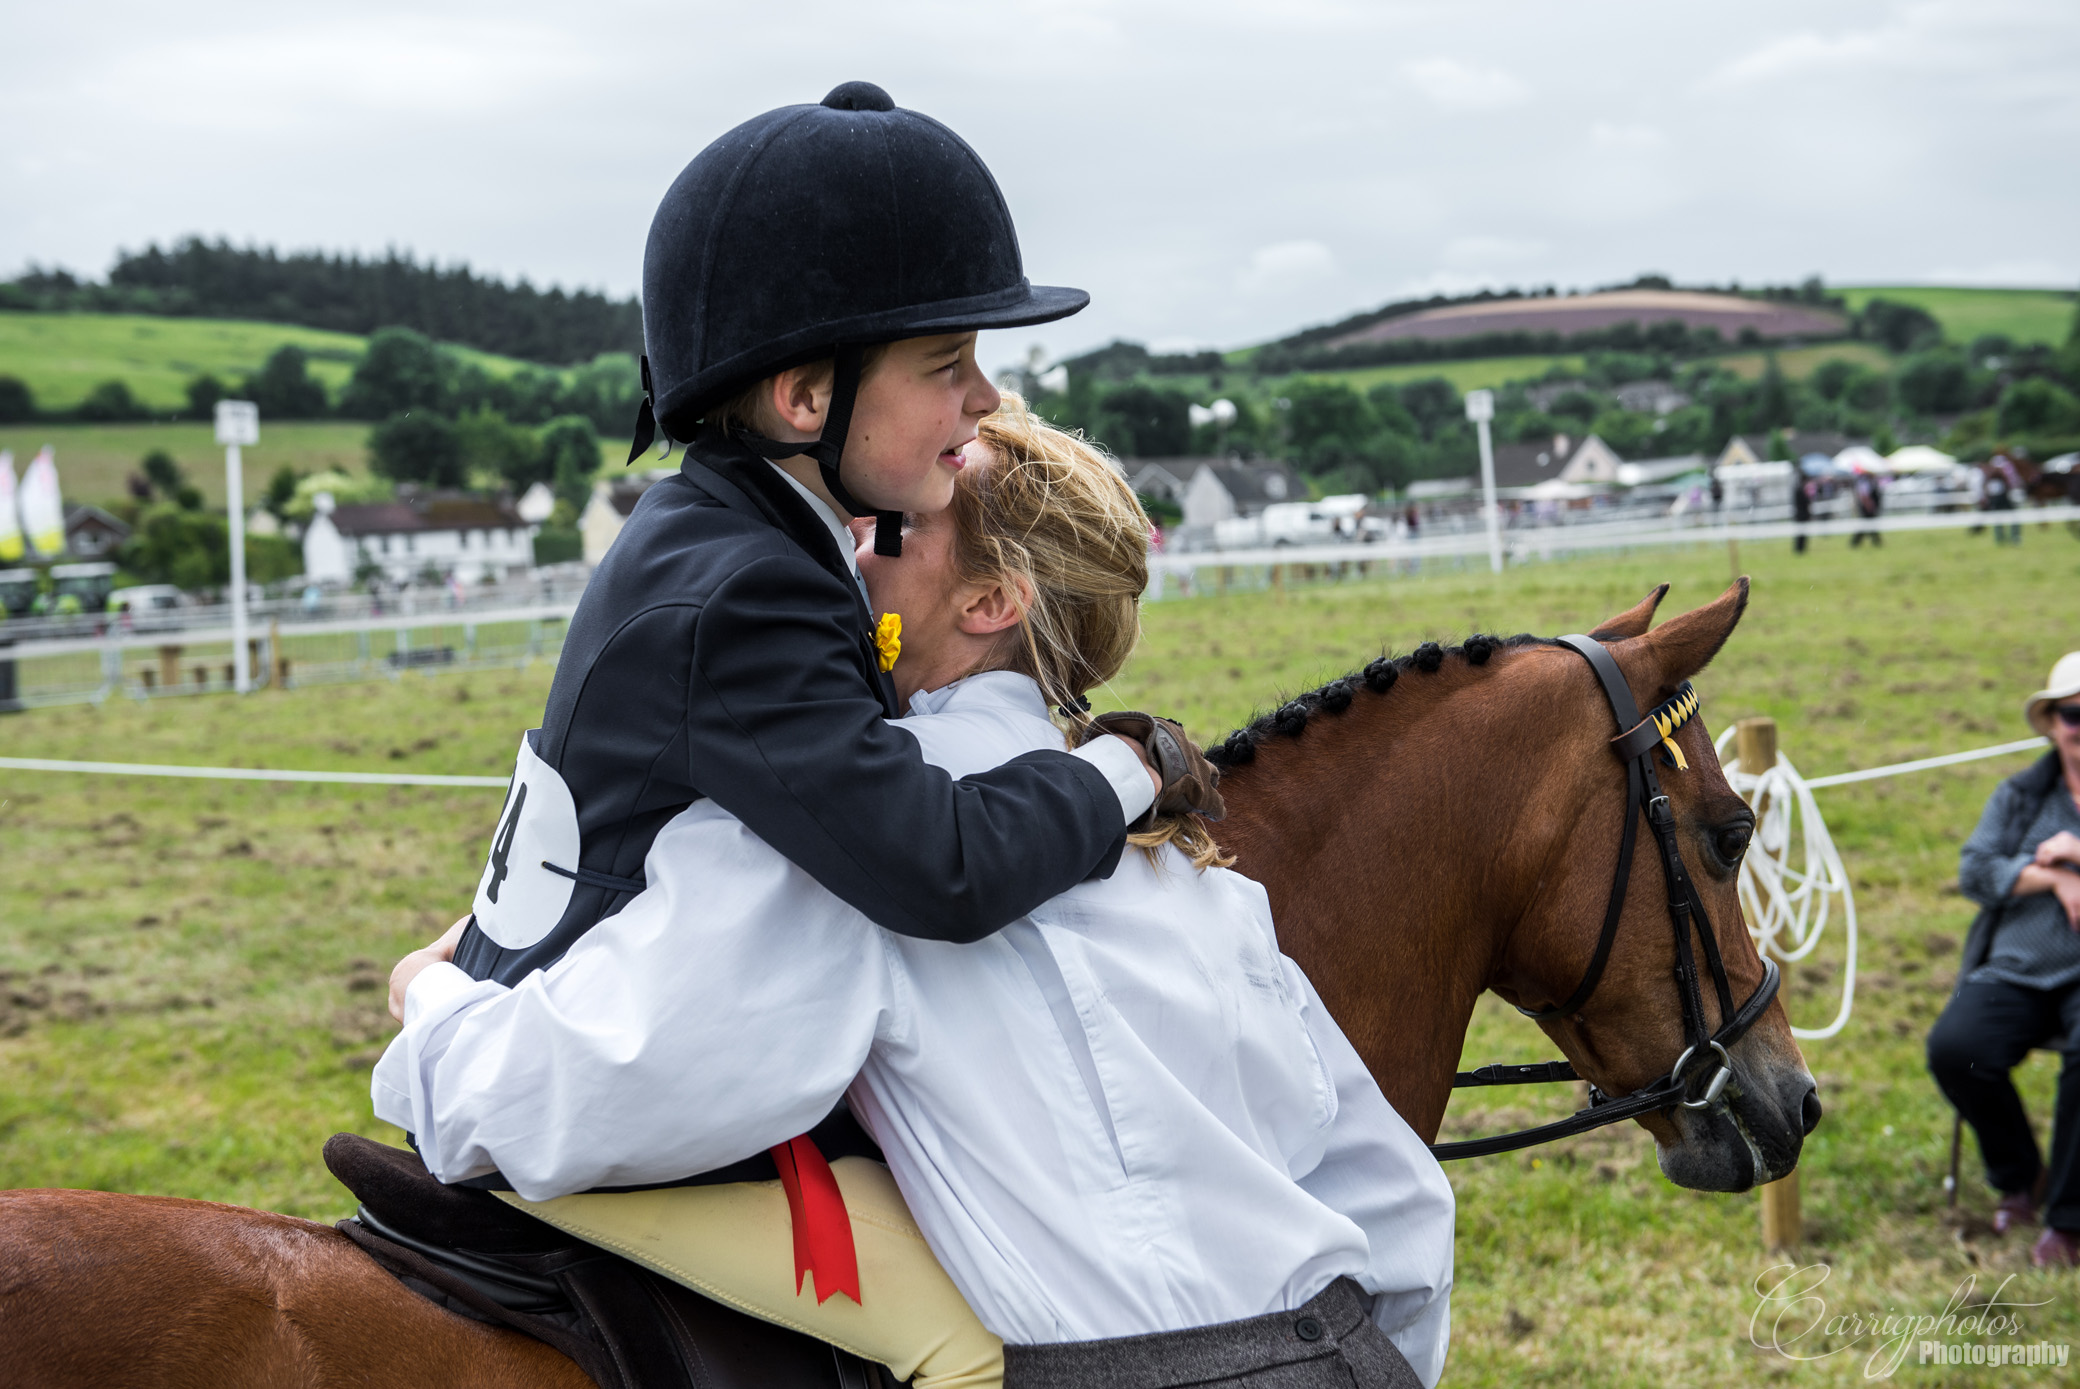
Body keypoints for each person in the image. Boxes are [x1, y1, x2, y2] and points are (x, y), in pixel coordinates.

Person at [379, 401, 1456, 1389]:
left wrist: (433, 1005)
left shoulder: (841, 842)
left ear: (990, 601)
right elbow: (1401, 1205)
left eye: (891, 527)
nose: (850, 540)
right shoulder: (1186, 867)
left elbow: (573, 1093)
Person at [1927, 651, 2080, 1269]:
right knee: (1956, 1049)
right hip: (2017, 970)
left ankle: (2069, 1220)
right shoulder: (2019, 795)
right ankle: (2021, 1178)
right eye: (2072, 714)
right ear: (2052, 723)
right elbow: (1975, 870)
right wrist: (2050, 877)